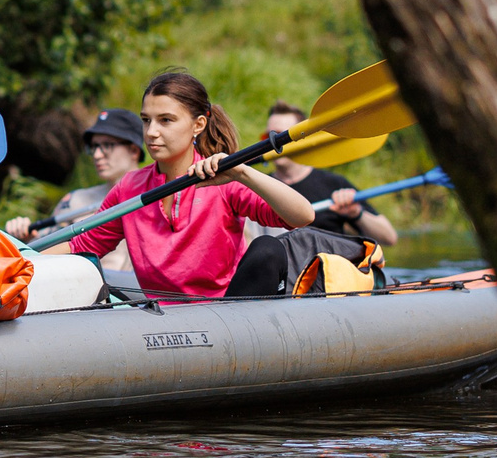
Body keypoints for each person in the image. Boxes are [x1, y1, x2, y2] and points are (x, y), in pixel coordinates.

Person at [30, 72, 316, 298]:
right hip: (162, 323)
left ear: (198, 125)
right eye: (146, 120)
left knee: (268, 248)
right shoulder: (130, 187)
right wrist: (21, 260)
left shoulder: (225, 179)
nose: (152, 132)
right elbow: (82, 244)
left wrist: (242, 173)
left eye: (166, 120)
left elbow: (302, 216)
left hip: (228, 316)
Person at [4, 108, 145, 265]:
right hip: (89, 287)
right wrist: (24, 238)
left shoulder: (159, 197)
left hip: (147, 289)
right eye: (94, 147)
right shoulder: (76, 200)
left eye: (107, 145)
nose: (97, 155)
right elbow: (41, 248)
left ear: (134, 150)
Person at [261, 100, 399, 248]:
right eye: (267, 138)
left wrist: (356, 213)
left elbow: (389, 237)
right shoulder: (259, 187)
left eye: (281, 137)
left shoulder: (333, 184)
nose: (273, 144)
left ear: (302, 140)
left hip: (327, 266)